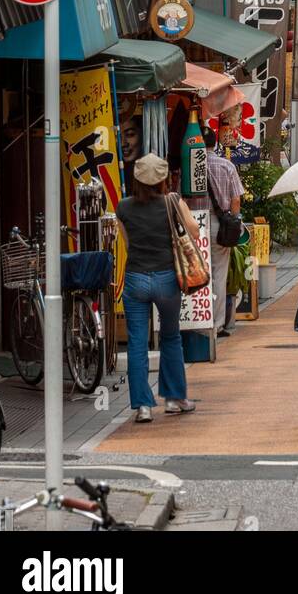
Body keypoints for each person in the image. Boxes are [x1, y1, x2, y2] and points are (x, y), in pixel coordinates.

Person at [116, 153, 199, 422]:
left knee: (137, 343)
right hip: (167, 278)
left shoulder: (123, 207)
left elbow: (128, 244)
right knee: (171, 336)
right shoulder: (171, 202)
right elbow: (194, 231)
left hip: (136, 278)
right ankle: (175, 399)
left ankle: (142, 406)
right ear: (163, 179)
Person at [203, 127, 245, 337]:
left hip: (198, 222)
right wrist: (233, 221)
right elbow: (236, 199)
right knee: (219, 273)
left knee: (201, 272)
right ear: (215, 143)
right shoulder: (226, 166)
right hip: (222, 223)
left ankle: (201, 320)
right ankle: (217, 324)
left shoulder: (192, 166)